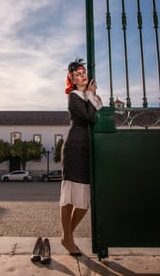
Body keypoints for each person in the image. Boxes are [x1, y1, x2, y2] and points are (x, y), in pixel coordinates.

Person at [59, 57, 102, 256]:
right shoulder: (74, 96)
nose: (82, 76)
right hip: (74, 147)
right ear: (72, 79)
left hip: (88, 150)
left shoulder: (92, 97)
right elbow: (89, 118)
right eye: (77, 74)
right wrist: (91, 95)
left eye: (83, 72)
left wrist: (92, 96)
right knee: (68, 198)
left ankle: (67, 236)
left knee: (84, 202)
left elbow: (98, 118)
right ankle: (67, 238)